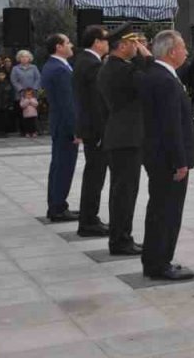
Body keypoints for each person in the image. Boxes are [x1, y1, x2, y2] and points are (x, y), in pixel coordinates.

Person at [139, 30, 194, 281]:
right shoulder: (164, 80)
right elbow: (170, 125)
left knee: (159, 209)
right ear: (172, 51)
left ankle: (154, 259)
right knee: (167, 211)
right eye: (183, 47)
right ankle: (160, 263)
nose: (186, 51)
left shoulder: (155, 74)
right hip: (167, 159)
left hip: (157, 155)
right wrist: (180, 161)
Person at [97, 24, 150, 256]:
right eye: (133, 43)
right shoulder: (120, 70)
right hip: (125, 138)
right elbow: (149, 77)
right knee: (124, 193)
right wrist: (146, 58)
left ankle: (121, 237)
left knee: (123, 192)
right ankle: (120, 241)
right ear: (123, 45)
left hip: (122, 136)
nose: (137, 47)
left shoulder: (113, 67)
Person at [73, 25, 111, 238]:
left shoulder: (85, 61)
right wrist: (101, 131)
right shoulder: (91, 64)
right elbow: (96, 103)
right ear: (97, 42)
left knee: (94, 175)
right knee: (95, 177)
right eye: (105, 40)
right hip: (95, 131)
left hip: (90, 128)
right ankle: (88, 222)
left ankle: (89, 218)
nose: (108, 44)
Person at [41, 34, 79, 221]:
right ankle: (57, 208)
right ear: (58, 47)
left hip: (59, 122)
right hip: (65, 125)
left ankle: (57, 204)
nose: (71, 45)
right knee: (63, 166)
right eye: (67, 43)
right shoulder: (59, 70)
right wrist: (75, 129)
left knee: (59, 165)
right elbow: (67, 103)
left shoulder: (56, 65)